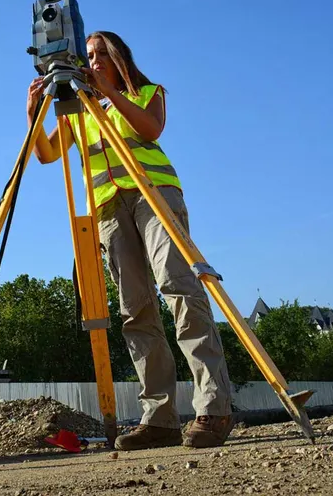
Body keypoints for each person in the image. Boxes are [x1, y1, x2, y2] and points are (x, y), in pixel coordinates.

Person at [26, 31, 234, 450]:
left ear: (120, 57)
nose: (95, 60)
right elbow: (47, 154)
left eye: (102, 54)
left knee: (179, 287)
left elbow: (150, 128)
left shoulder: (146, 92)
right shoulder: (79, 110)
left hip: (153, 196)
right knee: (135, 309)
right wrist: (34, 114)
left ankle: (213, 407)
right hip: (107, 208)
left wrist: (108, 93)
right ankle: (158, 417)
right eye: (89, 56)